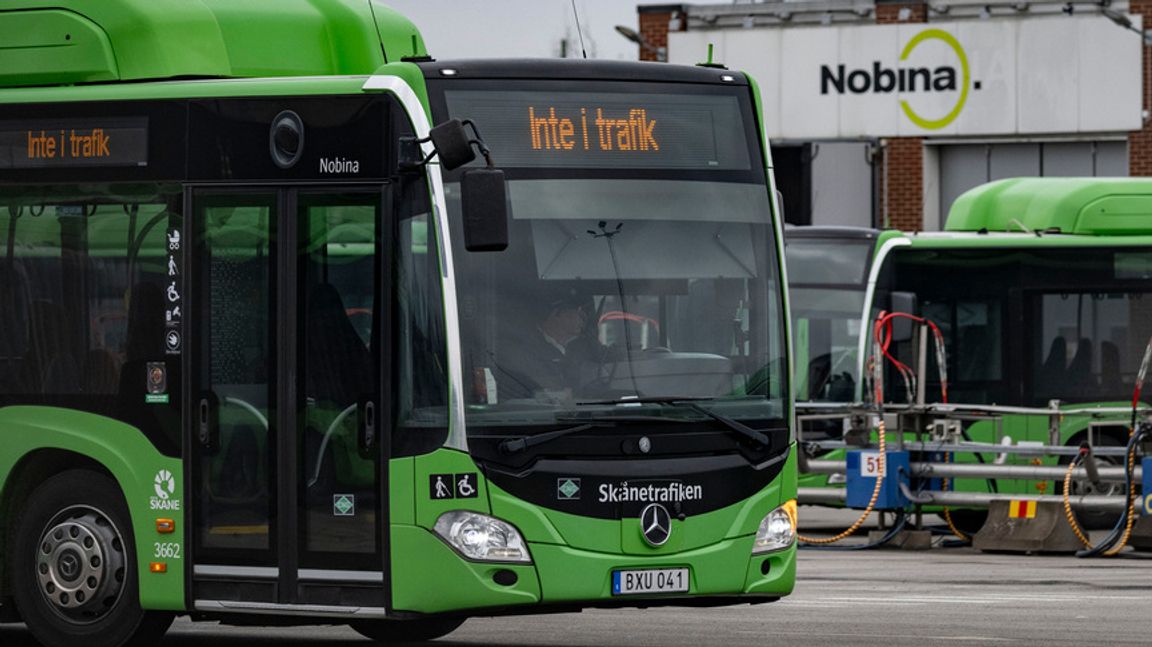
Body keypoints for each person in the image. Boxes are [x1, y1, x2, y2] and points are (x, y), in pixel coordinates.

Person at [495, 293, 597, 401]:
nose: (583, 319)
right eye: (577, 313)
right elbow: (527, 390)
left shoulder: (582, 346)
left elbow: (606, 357)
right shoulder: (525, 349)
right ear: (556, 315)